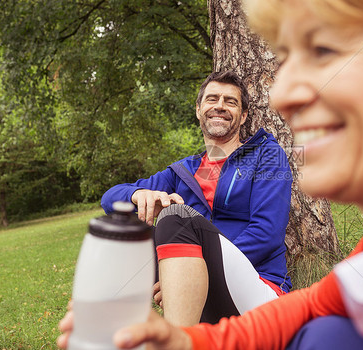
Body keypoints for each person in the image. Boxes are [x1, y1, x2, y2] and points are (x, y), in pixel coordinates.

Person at [58, 0, 363, 348]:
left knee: (181, 224)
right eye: (287, 58)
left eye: (324, 50)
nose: (283, 96)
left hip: (254, 278)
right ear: (198, 110)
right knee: (329, 335)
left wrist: (194, 246)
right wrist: (184, 343)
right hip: (224, 283)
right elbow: (318, 306)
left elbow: (264, 236)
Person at [100, 70, 293, 326]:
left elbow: (266, 234)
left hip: (259, 290)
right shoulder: (185, 171)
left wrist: (187, 275)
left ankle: (177, 339)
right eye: (212, 99)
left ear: (243, 115)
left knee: (176, 218)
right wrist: (137, 194)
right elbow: (109, 200)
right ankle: (120, 332)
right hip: (204, 298)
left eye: (230, 101)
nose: (220, 106)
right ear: (199, 109)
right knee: (124, 232)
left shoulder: (265, 155)